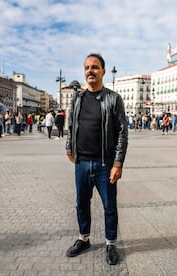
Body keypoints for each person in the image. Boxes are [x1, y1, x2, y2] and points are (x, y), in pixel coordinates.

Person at [65, 53, 128, 265]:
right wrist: (68, 147)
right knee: (81, 203)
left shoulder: (113, 98)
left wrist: (117, 163)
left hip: (105, 165)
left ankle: (110, 243)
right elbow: (71, 125)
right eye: (86, 67)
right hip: (81, 163)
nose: (90, 71)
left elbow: (122, 132)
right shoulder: (78, 98)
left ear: (102, 71)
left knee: (109, 206)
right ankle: (84, 239)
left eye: (94, 67)